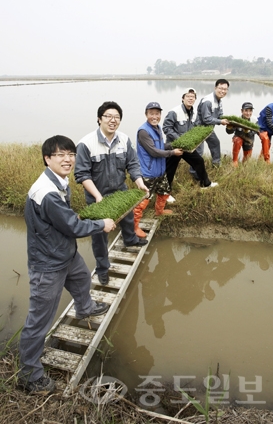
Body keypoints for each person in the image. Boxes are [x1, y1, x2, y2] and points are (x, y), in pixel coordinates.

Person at [18, 135, 116, 394]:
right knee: (39, 320)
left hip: (64, 253)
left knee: (83, 277)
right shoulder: (47, 193)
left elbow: (66, 218)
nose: (67, 159)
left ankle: (85, 307)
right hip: (48, 264)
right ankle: (29, 374)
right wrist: (101, 224)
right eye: (60, 155)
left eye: (71, 154)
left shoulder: (59, 182)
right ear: (47, 158)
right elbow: (72, 225)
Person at [75, 101, 149, 286]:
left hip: (120, 190)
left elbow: (132, 163)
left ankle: (130, 240)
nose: (112, 120)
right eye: (108, 116)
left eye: (116, 117)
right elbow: (82, 174)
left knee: (128, 217)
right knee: (99, 234)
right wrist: (98, 196)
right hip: (96, 196)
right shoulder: (86, 144)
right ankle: (102, 268)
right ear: (99, 119)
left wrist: (139, 182)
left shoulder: (124, 139)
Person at [133, 101, 183, 228]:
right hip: (148, 173)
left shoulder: (158, 128)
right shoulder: (143, 131)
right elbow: (154, 152)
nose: (154, 117)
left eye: (157, 114)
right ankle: (134, 226)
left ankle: (159, 211)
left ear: (160, 115)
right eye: (151, 114)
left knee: (165, 192)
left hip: (160, 171)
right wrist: (172, 152)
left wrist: (174, 144)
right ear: (146, 115)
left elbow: (160, 146)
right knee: (143, 200)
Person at [163, 88, 218, 191]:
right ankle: (166, 192)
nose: (190, 99)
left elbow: (194, 128)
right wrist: (180, 140)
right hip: (174, 146)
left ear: (195, 99)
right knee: (170, 169)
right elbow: (166, 128)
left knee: (199, 161)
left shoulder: (193, 112)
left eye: (193, 97)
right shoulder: (174, 112)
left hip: (187, 147)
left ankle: (205, 184)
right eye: (188, 96)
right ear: (183, 98)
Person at [194, 79, 230, 169]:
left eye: (225, 89)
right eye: (220, 88)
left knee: (215, 143)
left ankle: (216, 165)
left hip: (208, 129)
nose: (223, 91)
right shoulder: (208, 101)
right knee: (199, 152)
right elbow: (206, 119)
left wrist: (228, 121)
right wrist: (220, 122)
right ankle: (194, 173)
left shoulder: (219, 100)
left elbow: (220, 114)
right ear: (215, 88)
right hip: (199, 128)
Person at [226, 102, 257, 167]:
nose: (248, 113)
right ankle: (234, 161)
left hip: (249, 140)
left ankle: (244, 167)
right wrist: (229, 127)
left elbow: (257, 132)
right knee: (237, 140)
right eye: (246, 111)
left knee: (246, 161)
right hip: (239, 137)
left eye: (250, 111)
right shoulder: (237, 119)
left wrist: (248, 131)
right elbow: (229, 132)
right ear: (241, 111)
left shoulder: (255, 120)